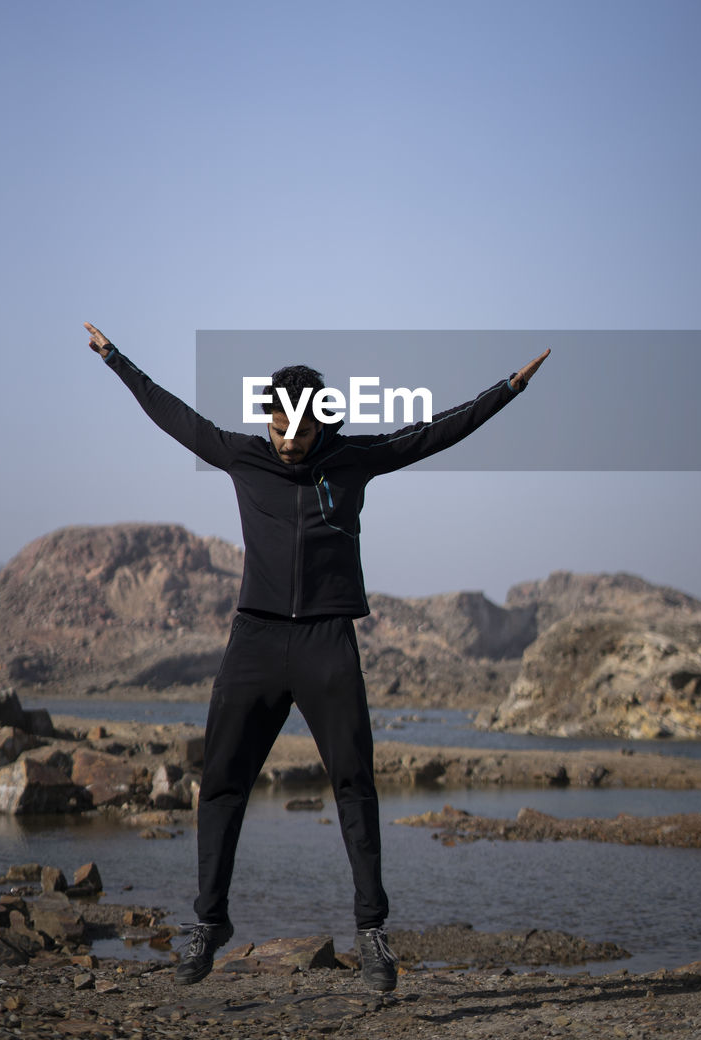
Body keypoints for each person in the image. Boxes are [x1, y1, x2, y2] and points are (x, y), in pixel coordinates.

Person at [84, 322, 550, 990]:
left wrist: (507, 389)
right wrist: (115, 360)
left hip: (327, 639)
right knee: (220, 783)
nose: (288, 445)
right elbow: (171, 413)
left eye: (299, 435)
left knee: (354, 782)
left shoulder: (355, 457)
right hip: (256, 638)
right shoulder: (243, 454)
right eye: (278, 432)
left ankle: (371, 931)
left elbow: (435, 430)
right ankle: (209, 922)